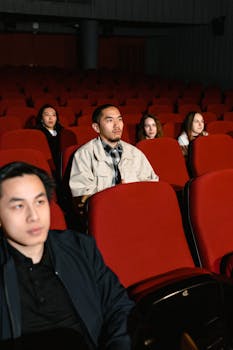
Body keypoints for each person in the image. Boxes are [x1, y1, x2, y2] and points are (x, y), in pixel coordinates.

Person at [0, 161, 135, 349]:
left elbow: (118, 306)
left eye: (39, 202)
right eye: (18, 206)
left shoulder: (80, 247)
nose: (34, 216)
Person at [69, 104, 159, 221]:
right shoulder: (84, 155)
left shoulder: (135, 153)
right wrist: (115, 196)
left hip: (136, 213)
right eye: (110, 120)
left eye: (120, 119)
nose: (117, 125)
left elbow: (152, 184)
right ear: (96, 127)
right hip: (104, 218)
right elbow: (82, 198)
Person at [35, 104, 63, 182]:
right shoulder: (36, 133)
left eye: (53, 115)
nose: (50, 118)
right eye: (47, 115)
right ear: (41, 118)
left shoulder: (63, 132)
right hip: (46, 166)